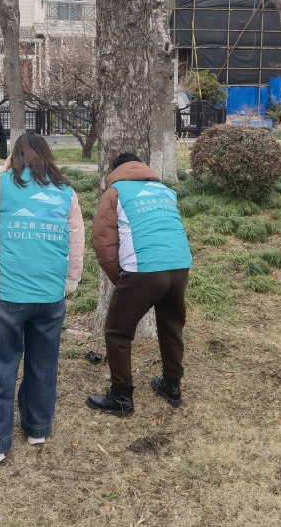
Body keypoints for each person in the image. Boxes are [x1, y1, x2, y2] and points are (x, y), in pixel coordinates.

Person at [0, 133, 84, 465]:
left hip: (9, 293)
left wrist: (0, 171)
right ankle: (37, 428)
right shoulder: (66, 191)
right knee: (44, 361)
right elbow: (76, 239)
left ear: (15, 156)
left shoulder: (5, 184)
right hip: (51, 294)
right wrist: (71, 280)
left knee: (0, 364)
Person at [86, 153, 192, 417]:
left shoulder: (115, 192)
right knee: (171, 326)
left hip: (143, 269)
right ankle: (172, 386)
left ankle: (121, 396)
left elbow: (102, 241)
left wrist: (120, 278)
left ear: (116, 170)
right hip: (180, 265)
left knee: (117, 332)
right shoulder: (165, 191)